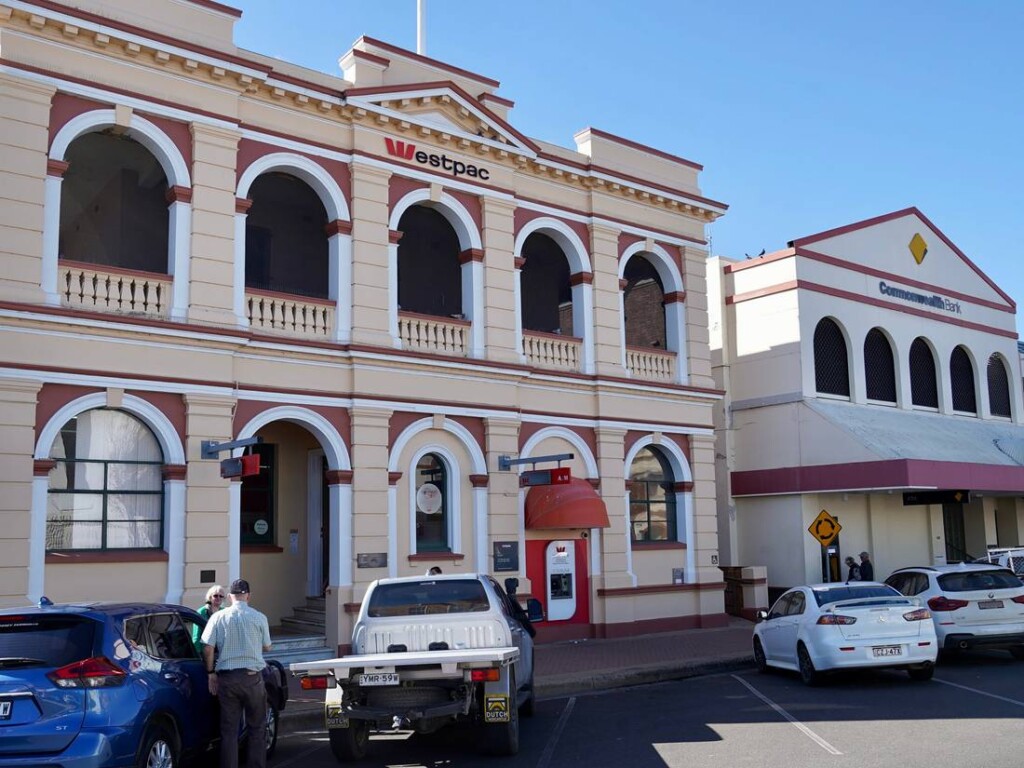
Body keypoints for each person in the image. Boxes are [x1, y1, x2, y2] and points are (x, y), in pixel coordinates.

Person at [201, 578, 272, 768]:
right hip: (252, 677)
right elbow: (267, 646)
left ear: (230, 597)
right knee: (257, 728)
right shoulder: (259, 617)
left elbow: (207, 648)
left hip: (227, 678)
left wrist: (210, 672)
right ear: (248, 596)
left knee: (229, 731)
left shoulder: (218, 617)